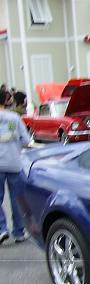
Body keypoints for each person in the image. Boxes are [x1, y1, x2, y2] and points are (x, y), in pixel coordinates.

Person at [0, 91, 30, 245]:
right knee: (15, 199)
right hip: (13, 162)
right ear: (6, 100)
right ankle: (18, 232)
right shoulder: (15, 118)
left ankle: (1, 229)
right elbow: (25, 141)